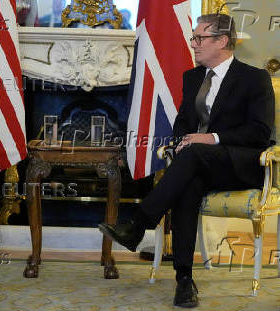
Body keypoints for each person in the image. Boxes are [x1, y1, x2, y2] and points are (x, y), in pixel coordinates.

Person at [99, 14, 274, 308]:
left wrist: (210, 138)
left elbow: (259, 132)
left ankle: (138, 223)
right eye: (193, 38)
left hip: (239, 165)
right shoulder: (192, 78)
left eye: (199, 38)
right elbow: (183, 122)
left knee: (192, 157)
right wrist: (182, 141)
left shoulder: (254, 78)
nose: (193, 44)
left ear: (222, 41)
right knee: (187, 183)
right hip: (197, 164)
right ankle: (183, 280)